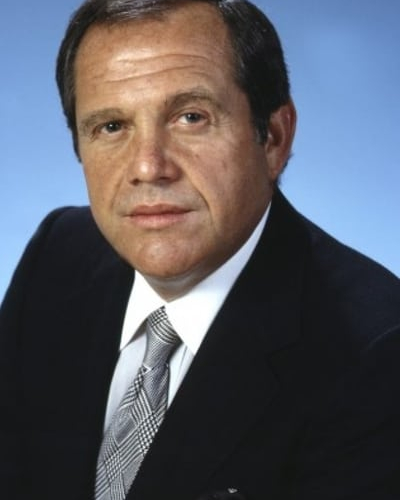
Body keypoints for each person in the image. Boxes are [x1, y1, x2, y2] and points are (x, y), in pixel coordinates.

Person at [0, 0, 399, 498]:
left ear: (273, 138)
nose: (148, 167)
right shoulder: (57, 253)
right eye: (111, 126)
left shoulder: (377, 356)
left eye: (191, 117)